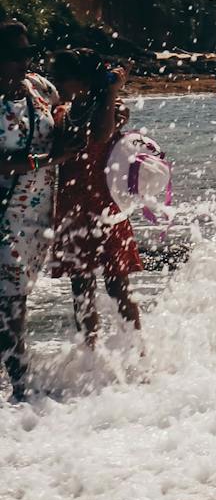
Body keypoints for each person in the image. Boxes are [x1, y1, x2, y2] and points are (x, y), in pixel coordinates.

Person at [46, 49, 142, 348]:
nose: (56, 82)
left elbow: (101, 135)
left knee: (117, 285)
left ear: (84, 80)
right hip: (72, 209)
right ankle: (90, 354)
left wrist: (110, 91)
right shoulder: (61, 111)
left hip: (106, 209)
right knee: (81, 288)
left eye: (62, 77)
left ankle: (138, 354)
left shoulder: (111, 108)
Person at [0, 20, 62, 400]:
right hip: (3, 217)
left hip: (38, 217)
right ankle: (22, 392)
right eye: (16, 56)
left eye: (28, 53)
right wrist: (49, 159)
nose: (26, 61)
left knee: (17, 299)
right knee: (10, 305)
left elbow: (66, 106)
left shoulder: (38, 88)